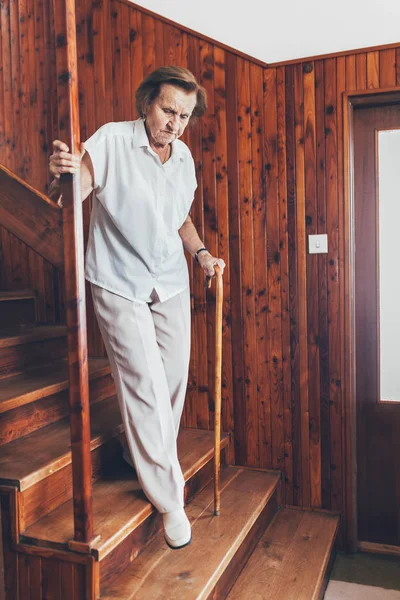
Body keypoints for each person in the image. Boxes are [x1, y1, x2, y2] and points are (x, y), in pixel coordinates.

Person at [48, 66, 225, 550]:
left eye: (185, 115)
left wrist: (202, 254)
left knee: (172, 379)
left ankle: (133, 446)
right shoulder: (111, 141)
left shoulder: (183, 157)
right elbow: (74, 192)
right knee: (144, 383)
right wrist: (64, 173)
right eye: (168, 110)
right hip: (117, 280)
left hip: (167, 278)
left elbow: (178, 218)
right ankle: (170, 500)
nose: (175, 122)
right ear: (147, 102)